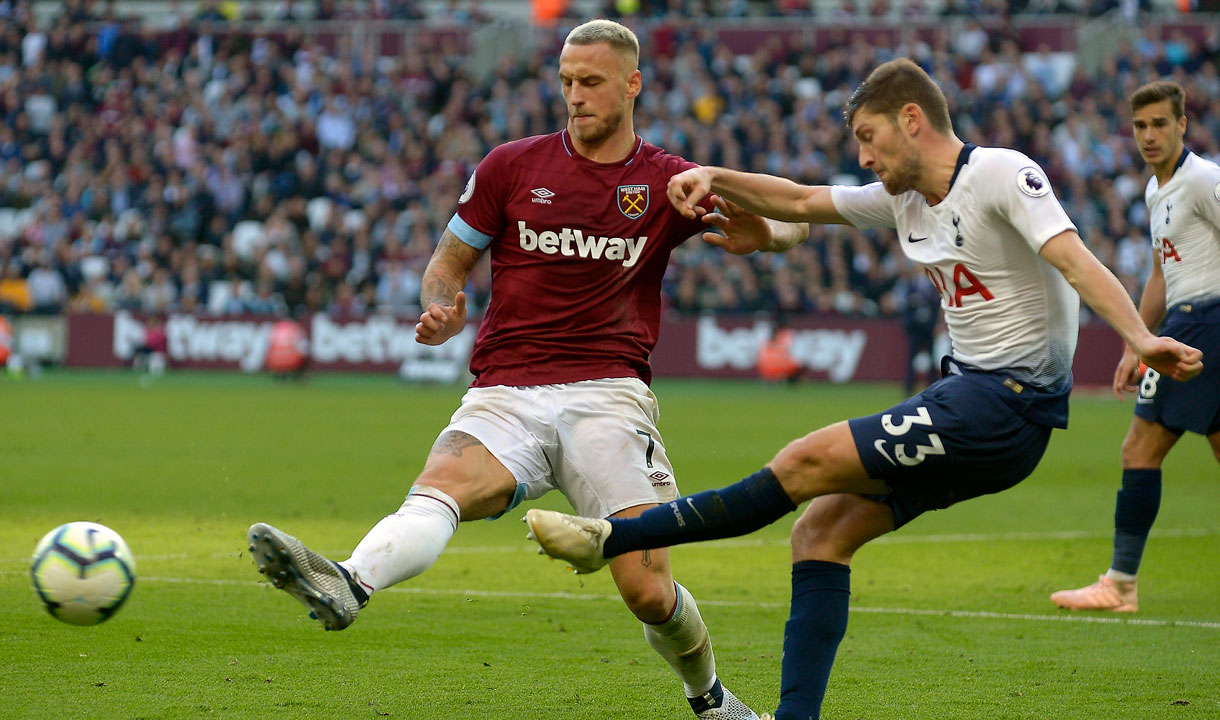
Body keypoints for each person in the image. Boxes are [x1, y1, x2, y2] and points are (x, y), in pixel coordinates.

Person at [523, 58, 1204, 720]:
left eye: (869, 138)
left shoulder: (1000, 173)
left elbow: (1074, 260)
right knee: (820, 532)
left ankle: (609, 539)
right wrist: (711, 177)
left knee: (801, 462)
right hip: (970, 401)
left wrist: (1139, 341)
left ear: (912, 119)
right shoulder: (902, 199)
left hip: (1004, 402)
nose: (866, 157)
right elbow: (797, 201)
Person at [247, 19, 807, 719]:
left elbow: (796, 216)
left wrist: (769, 237)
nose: (575, 96)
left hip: (608, 398)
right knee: (442, 485)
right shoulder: (511, 165)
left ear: (632, 84)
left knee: (648, 592)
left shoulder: (665, 181)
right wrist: (442, 305)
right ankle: (348, 582)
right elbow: (447, 263)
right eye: (567, 82)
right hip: (506, 389)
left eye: (592, 82)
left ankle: (710, 698)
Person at [1050, 80, 1220, 614]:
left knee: (1139, 450)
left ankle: (1121, 583)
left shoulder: (1202, 181)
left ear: (1182, 125)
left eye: (1160, 124)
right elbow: (1159, 273)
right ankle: (1120, 584)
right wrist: (1135, 343)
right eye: (1141, 125)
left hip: (1206, 322)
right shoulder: (1155, 190)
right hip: (1181, 322)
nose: (1149, 135)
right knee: (1157, 450)